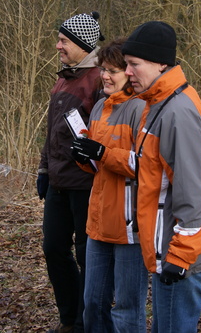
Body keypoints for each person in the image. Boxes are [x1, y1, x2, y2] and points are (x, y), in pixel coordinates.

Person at [121, 21, 201, 332]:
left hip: (180, 255)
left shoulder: (177, 111)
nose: (127, 72)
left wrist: (180, 257)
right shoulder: (156, 104)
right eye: (126, 64)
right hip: (166, 248)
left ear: (160, 64)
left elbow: (193, 191)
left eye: (133, 64)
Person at [70, 38, 148, 332]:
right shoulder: (100, 105)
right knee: (93, 305)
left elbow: (144, 165)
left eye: (112, 71)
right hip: (98, 222)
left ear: (128, 74)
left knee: (127, 310)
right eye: (103, 69)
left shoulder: (141, 108)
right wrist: (81, 156)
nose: (105, 76)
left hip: (129, 227)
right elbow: (96, 166)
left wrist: (102, 153)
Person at [38, 11, 105, 333]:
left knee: (86, 255)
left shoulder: (99, 81)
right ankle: (69, 318)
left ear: (81, 44)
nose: (58, 46)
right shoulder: (62, 78)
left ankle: (84, 322)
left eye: (63, 41)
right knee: (53, 248)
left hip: (86, 183)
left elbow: (106, 135)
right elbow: (53, 131)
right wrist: (43, 169)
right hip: (57, 182)